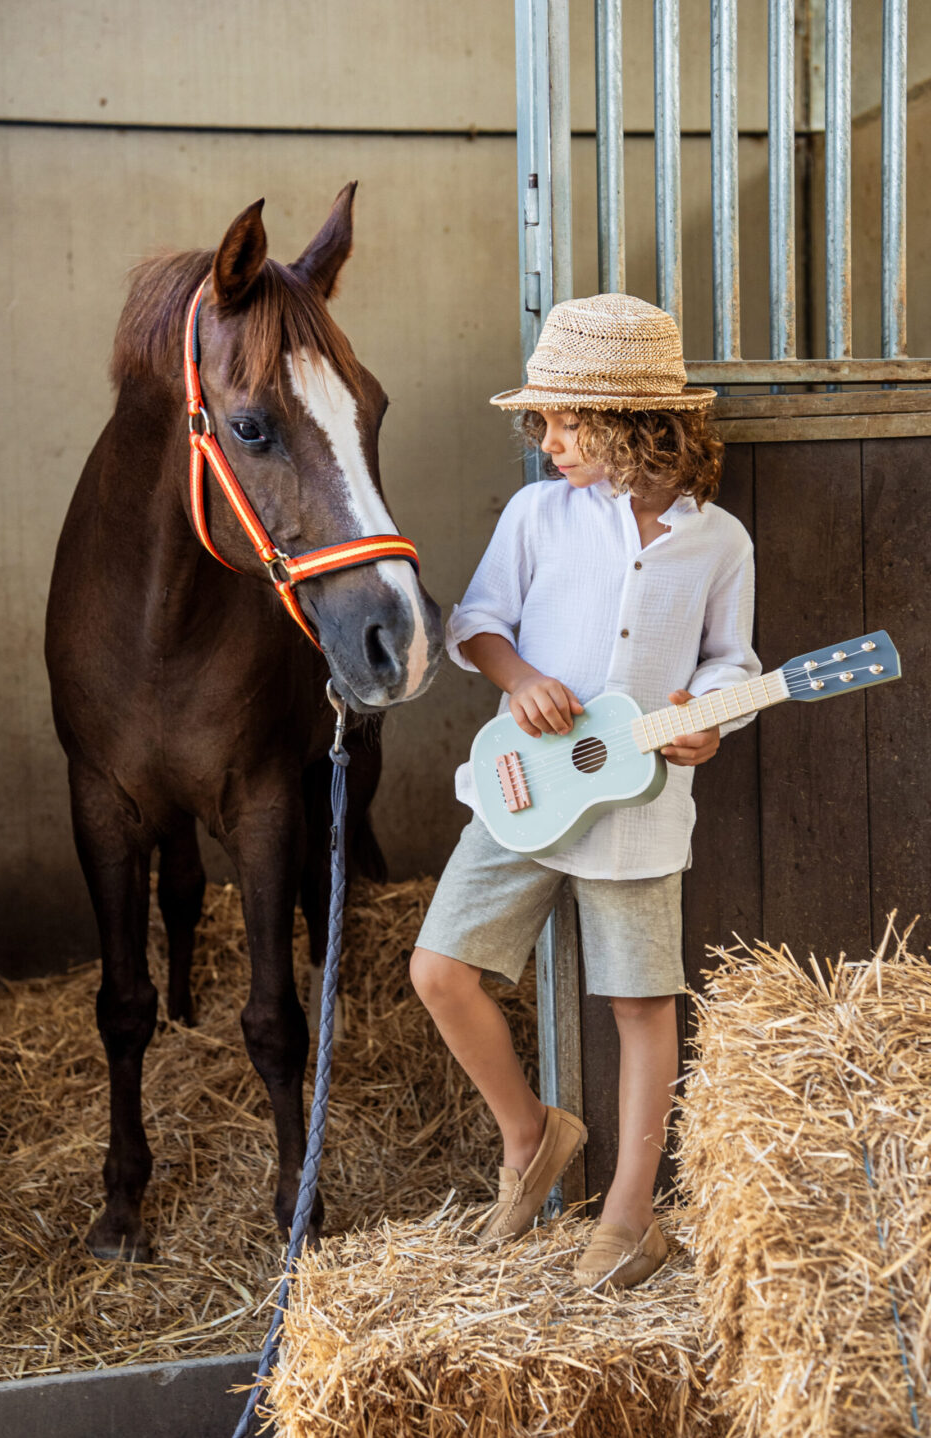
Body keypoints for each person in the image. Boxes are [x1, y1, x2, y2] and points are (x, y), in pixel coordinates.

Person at [409, 293, 760, 1292]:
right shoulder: (536, 514)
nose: (548, 440)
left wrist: (712, 717)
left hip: (640, 813)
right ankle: (535, 1134)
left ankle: (631, 1214)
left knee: (642, 1006)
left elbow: (735, 664)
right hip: (523, 793)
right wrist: (520, 681)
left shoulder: (717, 542)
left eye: (567, 421)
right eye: (543, 420)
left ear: (637, 424)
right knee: (439, 971)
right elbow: (477, 622)